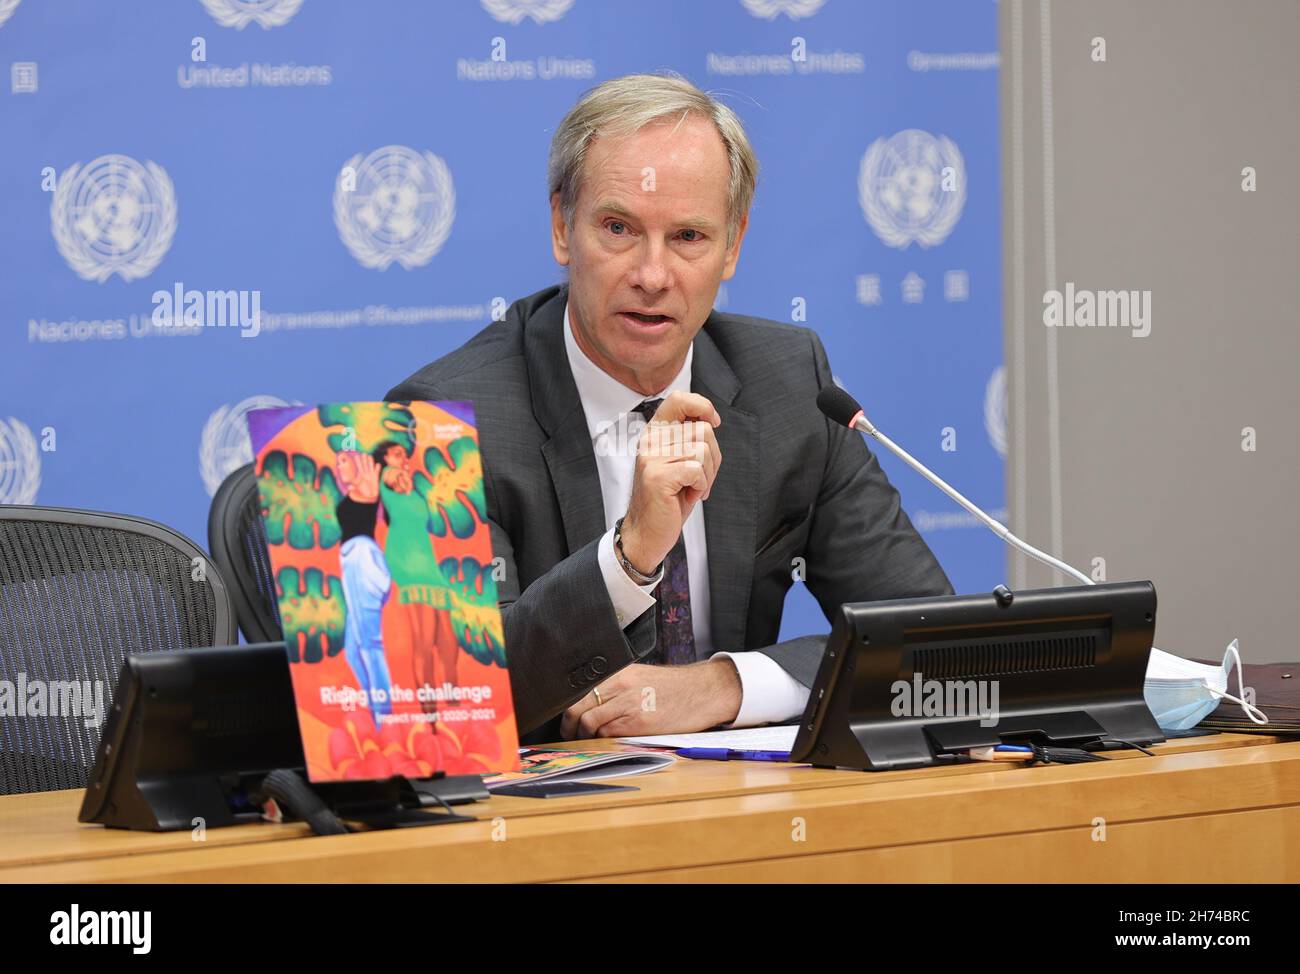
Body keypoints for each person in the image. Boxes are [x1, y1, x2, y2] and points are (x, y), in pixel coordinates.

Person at [387, 72, 952, 743]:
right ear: (562, 228)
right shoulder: (444, 417)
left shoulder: (790, 386)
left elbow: (931, 641)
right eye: (619, 228)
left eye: (688, 237)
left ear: (733, 246)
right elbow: (454, 702)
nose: (653, 276)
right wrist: (629, 559)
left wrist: (727, 685)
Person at [372, 441, 459, 712]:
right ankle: (429, 713)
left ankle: (456, 706)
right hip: (407, 567)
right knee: (422, 643)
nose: (404, 458)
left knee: (448, 642)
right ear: (384, 461)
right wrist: (390, 472)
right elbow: (381, 476)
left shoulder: (413, 487)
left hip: (430, 567)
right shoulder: (386, 484)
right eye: (397, 454)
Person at [334, 450, 394, 723]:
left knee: (370, 644)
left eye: (344, 461)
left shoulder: (368, 487)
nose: (339, 466)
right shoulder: (352, 490)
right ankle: (377, 712)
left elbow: (372, 493)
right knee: (352, 650)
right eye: (337, 462)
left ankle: (386, 716)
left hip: (362, 561)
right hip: (350, 564)